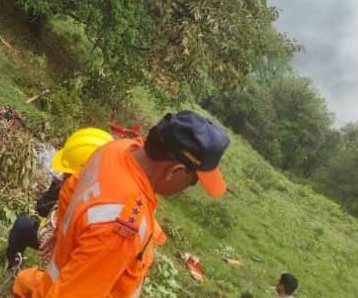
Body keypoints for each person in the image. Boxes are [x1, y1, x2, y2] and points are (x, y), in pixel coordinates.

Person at [12, 110, 230, 298]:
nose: (188, 188)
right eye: (193, 182)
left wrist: (61, 232)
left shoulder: (118, 149)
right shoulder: (122, 229)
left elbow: (71, 188)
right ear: (175, 171)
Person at [7, 127, 114, 270]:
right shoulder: (112, 194)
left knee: (22, 226)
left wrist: (57, 190)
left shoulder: (73, 193)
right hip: (93, 259)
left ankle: (14, 265)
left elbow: (42, 208)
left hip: (72, 254)